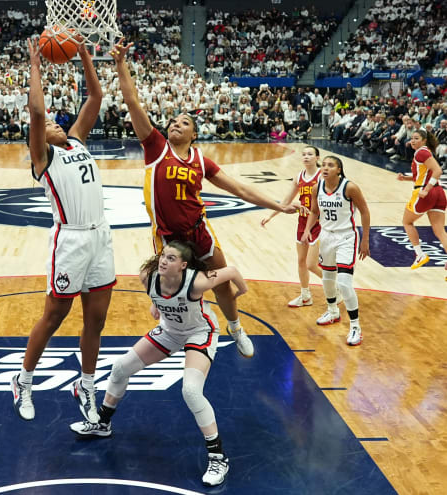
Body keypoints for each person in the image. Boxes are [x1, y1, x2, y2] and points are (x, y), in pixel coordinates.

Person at [110, 41, 300, 359]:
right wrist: (121, 64)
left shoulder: (201, 160)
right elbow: (132, 102)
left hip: (199, 230)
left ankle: (235, 327)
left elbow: (240, 190)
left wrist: (279, 205)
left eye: (184, 123)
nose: (175, 124)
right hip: (168, 237)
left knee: (222, 284)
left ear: (194, 134)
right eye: (173, 121)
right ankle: (167, 318)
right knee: (169, 292)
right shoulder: (156, 148)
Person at [70, 240, 247, 487]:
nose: (164, 260)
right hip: (170, 331)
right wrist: (156, 305)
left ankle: (218, 457)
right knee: (120, 367)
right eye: (164, 256)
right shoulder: (148, 277)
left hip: (199, 332)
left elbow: (232, 271)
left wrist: (242, 290)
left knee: (191, 391)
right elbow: (160, 295)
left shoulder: (197, 281)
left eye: (172, 259)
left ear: (183, 266)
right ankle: (102, 422)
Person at [10, 38, 116, 423]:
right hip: (70, 240)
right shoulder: (43, 157)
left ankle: (86, 385)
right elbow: (37, 112)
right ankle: (23, 380)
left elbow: (96, 96)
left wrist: (85, 52)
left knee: (97, 320)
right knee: (54, 316)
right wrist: (35, 62)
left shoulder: (76, 141)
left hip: (101, 236)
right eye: (48, 124)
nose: (54, 122)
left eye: (59, 122)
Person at [301, 156, 371, 346]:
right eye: (323, 165)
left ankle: (356, 326)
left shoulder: (349, 187)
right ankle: (333, 312)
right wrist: (308, 229)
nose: (325, 168)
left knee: (345, 283)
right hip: (326, 236)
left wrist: (365, 240)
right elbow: (315, 211)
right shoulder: (318, 188)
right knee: (327, 278)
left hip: (346, 237)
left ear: (339, 170)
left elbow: (365, 211)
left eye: (330, 165)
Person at [261, 146, 334, 307]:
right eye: (304, 154)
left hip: (319, 223)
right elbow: (286, 201)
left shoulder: (322, 177)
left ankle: (337, 288)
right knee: (301, 262)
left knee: (311, 264)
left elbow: (327, 202)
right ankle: (305, 295)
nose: (306, 157)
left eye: (310, 154)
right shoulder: (299, 177)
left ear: (317, 158)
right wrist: (270, 216)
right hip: (302, 222)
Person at [396, 129, 447, 278]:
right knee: (439, 230)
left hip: (427, 192)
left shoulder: (421, 153)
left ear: (424, 140)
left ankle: (419, 254)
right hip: (439, 193)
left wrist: (426, 189)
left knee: (406, 222)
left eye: (416, 138)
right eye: (412, 138)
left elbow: (438, 171)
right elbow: (423, 176)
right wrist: (405, 178)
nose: (413, 141)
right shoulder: (425, 153)